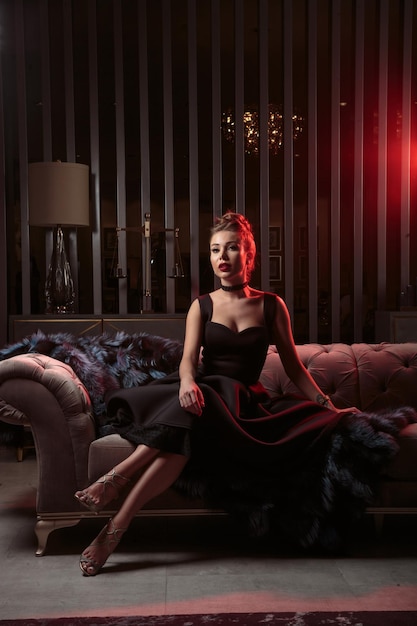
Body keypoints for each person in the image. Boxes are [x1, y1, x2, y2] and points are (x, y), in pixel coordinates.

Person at [75, 212, 415, 576]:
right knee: (196, 407)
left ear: (249, 256)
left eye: (232, 248)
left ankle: (114, 483)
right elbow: (188, 361)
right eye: (215, 249)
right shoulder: (201, 306)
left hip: (242, 404)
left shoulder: (271, 305)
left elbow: (294, 367)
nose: (222, 256)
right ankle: (116, 527)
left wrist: (325, 403)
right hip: (199, 394)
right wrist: (187, 383)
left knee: (199, 412)